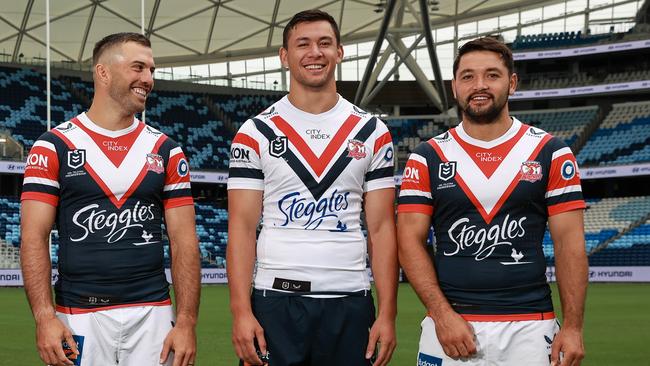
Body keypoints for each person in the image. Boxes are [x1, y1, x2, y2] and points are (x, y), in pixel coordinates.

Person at [397, 37, 587, 366]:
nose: (479, 85)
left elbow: (569, 242)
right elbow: (408, 240)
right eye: (468, 76)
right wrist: (442, 316)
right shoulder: (427, 156)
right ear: (455, 86)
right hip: (450, 328)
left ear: (512, 83)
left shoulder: (550, 151)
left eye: (492, 75)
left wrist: (572, 327)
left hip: (531, 326)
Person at [227, 9, 398, 366]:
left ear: (340, 52)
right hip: (275, 300)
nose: (314, 53)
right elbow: (241, 229)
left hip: (350, 300)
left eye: (325, 43)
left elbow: (381, 229)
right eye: (302, 44)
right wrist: (241, 311)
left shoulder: (372, 132)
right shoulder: (255, 132)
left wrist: (388, 314)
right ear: (284, 56)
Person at [20, 32, 200, 366]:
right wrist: (44, 319)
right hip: (78, 316)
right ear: (103, 73)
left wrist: (187, 321)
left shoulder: (166, 150)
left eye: (151, 70)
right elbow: (33, 237)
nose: (148, 79)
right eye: (138, 68)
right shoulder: (53, 146)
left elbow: (184, 241)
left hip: (154, 315)